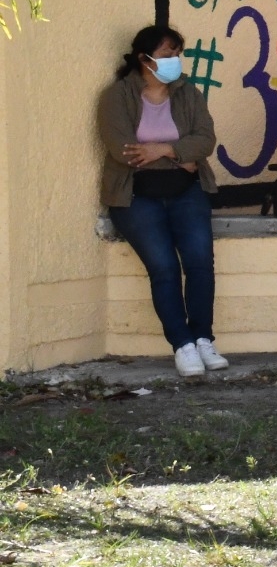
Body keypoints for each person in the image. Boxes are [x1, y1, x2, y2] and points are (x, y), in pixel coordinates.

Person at [98, 25, 226, 378]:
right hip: (136, 195)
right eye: (168, 54)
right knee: (165, 269)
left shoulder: (188, 94)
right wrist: (180, 155)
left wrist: (164, 149)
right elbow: (124, 151)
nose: (175, 61)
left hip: (187, 190)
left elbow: (205, 140)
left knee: (200, 263)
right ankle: (182, 344)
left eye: (176, 54)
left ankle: (203, 339)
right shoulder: (117, 96)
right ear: (144, 59)